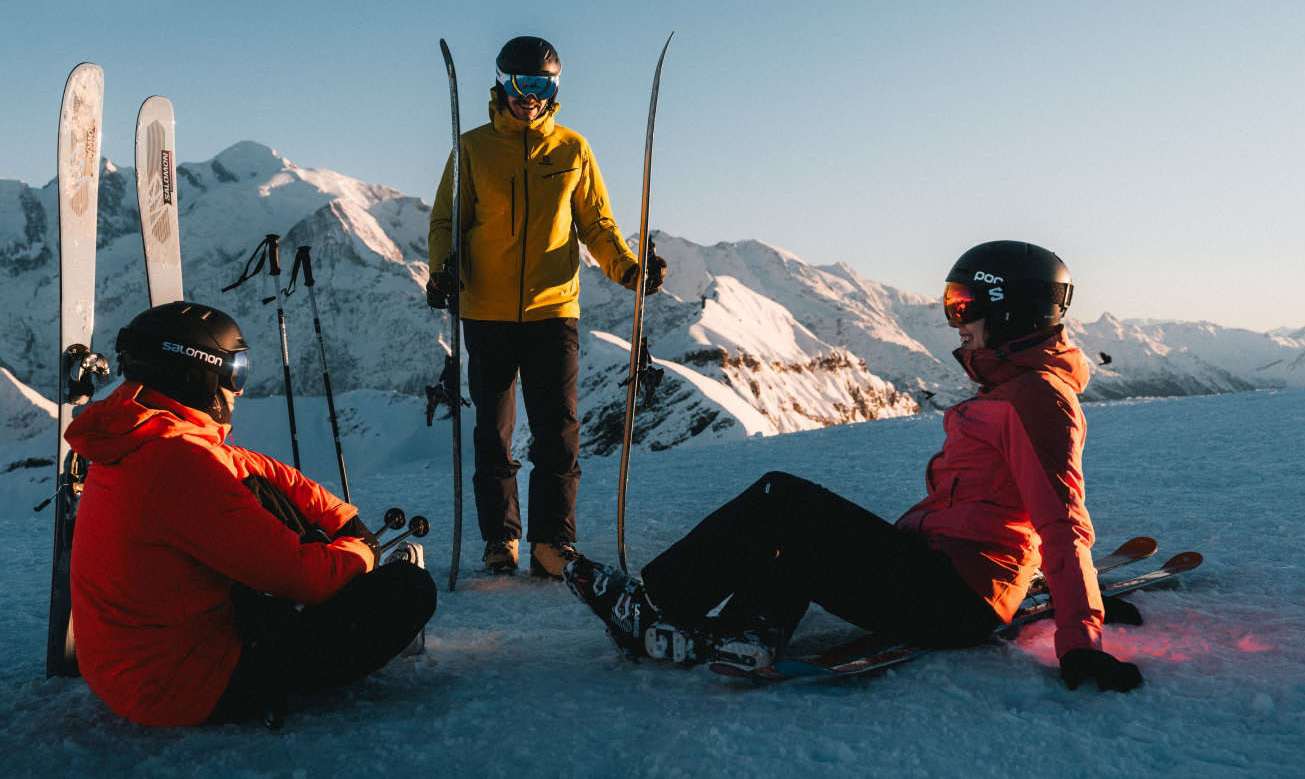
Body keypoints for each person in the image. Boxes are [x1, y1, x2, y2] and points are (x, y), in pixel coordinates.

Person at [564, 241, 1147, 693]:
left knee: (781, 499)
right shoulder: (1012, 387)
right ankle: (743, 634)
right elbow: (1004, 511)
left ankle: (654, 606)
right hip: (947, 577)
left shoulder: (1034, 398)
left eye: (964, 304)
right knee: (800, 541)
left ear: (1013, 313)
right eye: (952, 302)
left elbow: (1060, 518)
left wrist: (1080, 634)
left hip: (954, 597)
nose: (954, 319)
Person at [66, 302, 436, 728]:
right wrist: (362, 553)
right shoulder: (180, 468)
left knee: (258, 491)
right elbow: (307, 579)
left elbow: (254, 469)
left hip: (132, 671)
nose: (238, 389)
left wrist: (343, 520)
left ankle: (348, 581)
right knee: (411, 590)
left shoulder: (145, 435)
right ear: (194, 376)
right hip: (185, 685)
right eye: (234, 372)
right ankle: (373, 605)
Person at [427, 36, 667, 578]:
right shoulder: (472, 149)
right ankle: (500, 540)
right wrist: (446, 270)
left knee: (558, 432)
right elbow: (447, 223)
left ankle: (552, 544)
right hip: (486, 311)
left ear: (554, 89)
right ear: (502, 83)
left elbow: (597, 226)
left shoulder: (573, 150)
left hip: (553, 310)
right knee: (493, 432)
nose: (530, 96)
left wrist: (629, 269)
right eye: (520, 83)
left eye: (543, 85)